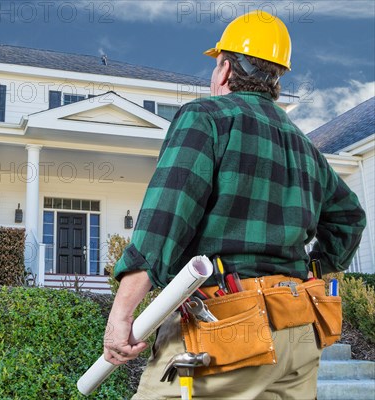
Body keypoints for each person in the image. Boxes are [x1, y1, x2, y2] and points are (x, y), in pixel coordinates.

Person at [103, 9, 366, 400]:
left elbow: (165, 219)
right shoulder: (304, 146)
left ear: (225, 70)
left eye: (216, 67)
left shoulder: (205, 118)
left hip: (226, 330)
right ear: (276, 79)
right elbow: (350, 219)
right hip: (298, 328)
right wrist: (313, 270)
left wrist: (123, 312)